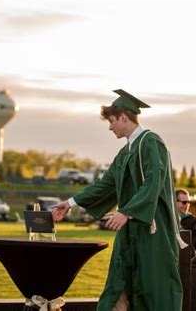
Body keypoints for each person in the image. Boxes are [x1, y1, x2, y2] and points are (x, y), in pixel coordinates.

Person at [52, 89, 185, 311]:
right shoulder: (125, 153)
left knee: (153, 291)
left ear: (124, 117)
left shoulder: (151, 143)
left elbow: (153, 183)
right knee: (118, 287)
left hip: (153, 232)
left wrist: (126, 212)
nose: (110, 127)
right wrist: (71, 203)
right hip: (130, 232)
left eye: (112, 121)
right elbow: (105, 185)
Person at [176, 188, 196, 255]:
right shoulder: (166, 220)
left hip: (186, 262)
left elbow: (194, 250)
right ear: (174, 202)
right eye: (184, 202)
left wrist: (180, 227)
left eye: (188, 202)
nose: (187, 205)